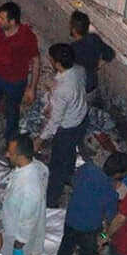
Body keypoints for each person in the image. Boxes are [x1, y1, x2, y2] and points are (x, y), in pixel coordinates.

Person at [52, 150, 122, 255]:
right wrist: (104, 235)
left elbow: (74, 180)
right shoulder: (110, 191)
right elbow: (111, 218)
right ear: (117, 176)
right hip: (90, 228)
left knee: (65, 249)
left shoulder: (87, 168)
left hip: (71, 219)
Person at [0, 3, 39, 147]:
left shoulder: (26, 36)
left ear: (12, 21)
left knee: (12, 112)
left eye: (2, 19)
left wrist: (32, 88)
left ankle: (11, 144)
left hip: (15, 82)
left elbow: (35, 60)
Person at [38, 43, 88, 206]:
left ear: (58, 64)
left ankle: (51, 199)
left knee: (57, 165)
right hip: (81, 118)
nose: (50, 61)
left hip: (68, 127)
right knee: (70, 152)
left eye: (51, 59)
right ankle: (68, 174)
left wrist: (40, 139)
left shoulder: (63, 89)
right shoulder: (79, 70)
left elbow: (55, 122)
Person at [3, 135, 48, 255]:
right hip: (14, 222)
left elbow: (28, 219)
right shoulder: (36, 167)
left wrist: (19, 244)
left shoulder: (30, 187)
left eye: (10, 153)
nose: (6, 154)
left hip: (17, 234)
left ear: (21, 156)